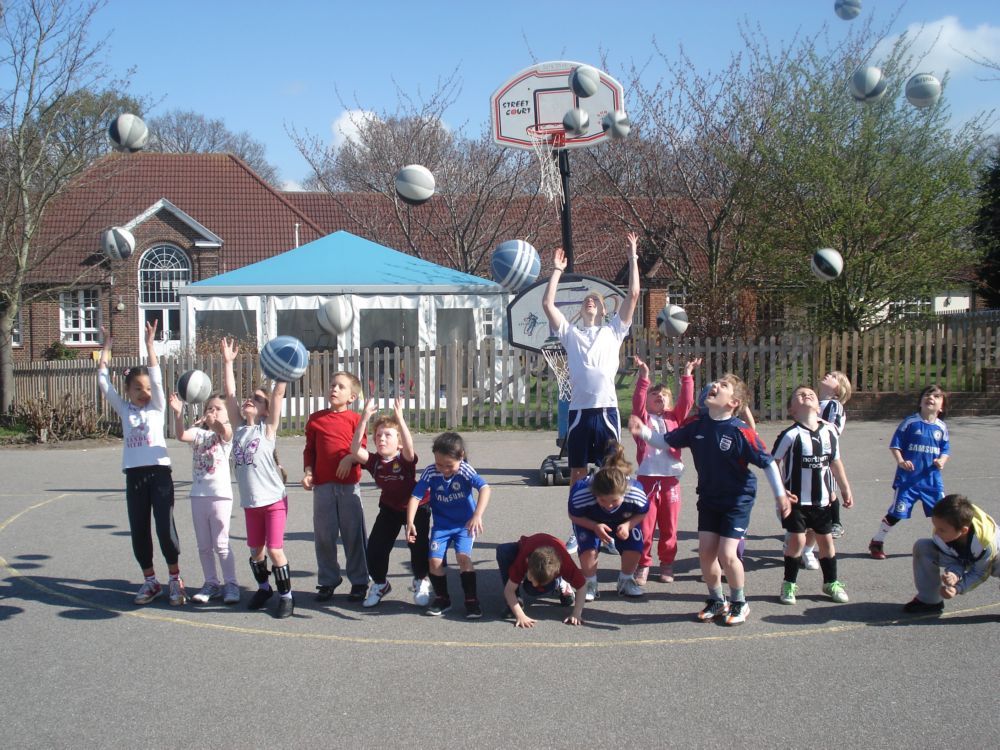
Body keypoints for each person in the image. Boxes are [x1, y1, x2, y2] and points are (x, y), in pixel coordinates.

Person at [655, 374, 793, 626]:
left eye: (723, 386)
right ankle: (717, 600)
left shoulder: (740, 431)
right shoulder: (697, 425)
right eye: (715, 383)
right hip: (709, 497)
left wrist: (780, 494)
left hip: (737, 499)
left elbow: (768, 462)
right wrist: (641, 431)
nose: (714, 386)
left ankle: (740, 602)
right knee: (706, 553)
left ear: (733, 402)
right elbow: (664, 441)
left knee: (727, 554)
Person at [542, 231, 640, 554]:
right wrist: (556, 270)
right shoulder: (570, 334)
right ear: (582, 309)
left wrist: (632, 257)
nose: (591, 302)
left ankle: (611, 531)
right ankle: (578, 529)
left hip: (606, 412)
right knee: (578, 474)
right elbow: (547, 304)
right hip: (581, 413)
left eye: (596, 300)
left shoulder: (614, 331)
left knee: (613, 472)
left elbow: (635, 294)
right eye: (586, 300)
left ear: (602, 308)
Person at [97, 322, 186, 606]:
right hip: (134, 477)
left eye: (146, 388)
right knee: (139, 529)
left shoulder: (157, 408)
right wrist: (107, 348)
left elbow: (157, 378)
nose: (143, 392)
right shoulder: (125, 410)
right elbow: (103, 382)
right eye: (137, 388)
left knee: (164, 528)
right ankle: (150, 580)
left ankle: (175, 578)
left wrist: (150, 344)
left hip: (159, 474)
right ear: (128, 390)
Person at [222, 337, 295, 618]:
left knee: (275, 550)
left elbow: (277, 395)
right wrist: (228, 363)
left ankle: (286, 596)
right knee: (255, 550)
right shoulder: (239, 428)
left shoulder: (267, 430)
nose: (251, 399)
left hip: (274, 500)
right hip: (251, 503)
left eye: (258, 399)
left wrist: (283, 370)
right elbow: (229, 396)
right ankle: (264, 588)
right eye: (250, 397)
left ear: (265, 410)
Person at [771, 386, 855, 606]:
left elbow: (835, 462)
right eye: (800, 395)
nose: (806, 395)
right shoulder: (790, 434)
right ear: (792, 410)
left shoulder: (829, 433)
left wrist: (845, 488)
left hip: (822, 501)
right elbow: (773, 463)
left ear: (819, 406)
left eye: (811, 394)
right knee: (797, 539)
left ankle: (831, 582)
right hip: (796, 501)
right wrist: (781, 490)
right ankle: (788, 584)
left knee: (826, 542)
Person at [348, 396, 432, 608]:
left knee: (418, 546)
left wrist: (400, 419)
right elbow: (354, 450)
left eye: (388, 435)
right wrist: (365, 418)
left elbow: (410, 446)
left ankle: (421, 580)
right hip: (390, 508)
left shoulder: (403, 459)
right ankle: (380, 584)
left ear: (399, 441)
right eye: (378, 436)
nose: (382, 439)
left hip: (416, 507)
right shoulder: (374, 461)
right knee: (376, 548)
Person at [629, 354, 699, 584]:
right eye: (654, 395)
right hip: (647, 479)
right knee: (646, 526)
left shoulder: (675, 418)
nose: (659, 397)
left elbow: (687, 403)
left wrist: (687, 376)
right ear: (648, 401)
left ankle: (667, 564)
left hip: (670, 480)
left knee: (669, 526)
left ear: (670, 402)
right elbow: (638, 402)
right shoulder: (643, 418)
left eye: (664, 395)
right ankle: (644, 564)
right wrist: (644, 377)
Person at [406, 432, 491, 618]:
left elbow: (485, 488)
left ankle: (471, 600)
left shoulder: (465, 470)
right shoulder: (430, 472)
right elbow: (415, 497)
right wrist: (410, 521)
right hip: (442, 526)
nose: (444, 469)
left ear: (461, 457)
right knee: (434, 561)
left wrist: (477, 515)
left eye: (449, 465)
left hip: (464, 525)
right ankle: (443, 599)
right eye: (439, 464)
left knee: (462, 557)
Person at [302, 371, 369, 603]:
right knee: (324, 536)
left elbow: (361, 448)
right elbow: (309, 449)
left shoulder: (355, 420)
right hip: (323, 487)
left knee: (353, 535)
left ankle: (360, 581)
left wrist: (349, 459)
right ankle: (328, 580)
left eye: (340, 387)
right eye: (332, 385)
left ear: (351, 397)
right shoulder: (316, 419)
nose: (334, 389)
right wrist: (309, 472)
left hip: (349, 487)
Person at [168, 390, 240, 605]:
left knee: (221, 543)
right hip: (198, 496)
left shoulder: (227, 431)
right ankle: (211, 582)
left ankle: (231, 584)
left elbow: (223, 431)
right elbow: (181, 435)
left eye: (218, 409)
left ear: (227, 415)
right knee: (203, 545)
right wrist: (179, 414)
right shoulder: (199, 434)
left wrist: (215, 422)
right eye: (210, 408)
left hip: (220, 496)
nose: (213, 411)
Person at [869, 385, 950, 560]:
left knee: (943, 514)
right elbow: (895, 445)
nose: (931, 398)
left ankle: (944, 544)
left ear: (941, 406)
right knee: (896, 514)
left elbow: (945, 450)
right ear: (920, 402)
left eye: (936, 396)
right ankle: (877, 541)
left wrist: (941, 461)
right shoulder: (910, 422)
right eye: (927, 394)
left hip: (932, 481)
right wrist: (901, 461)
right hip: (908, 481)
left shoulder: (941, 428)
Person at [567, 443, 649, 601]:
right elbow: (573, 515)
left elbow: (642, 512)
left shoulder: (636, 492)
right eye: (602, 500)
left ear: (625, 492)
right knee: (588, 551)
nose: (609, 505)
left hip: (624, 519)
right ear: (594, 492)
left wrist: (628, 525)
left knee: (634, 548)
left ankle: (626, 580)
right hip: (591, 519)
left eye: (614, 501)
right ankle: (590, 583)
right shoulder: (582, 492)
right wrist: (593, 526)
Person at [903, 494, 999, 614]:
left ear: (964, 530)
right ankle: (930, 600)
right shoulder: (944, 533)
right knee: (923, 546)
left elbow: (980, 573)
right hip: (969, 555)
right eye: (935, 526)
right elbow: (955, 559)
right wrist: (954, 574)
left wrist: (957, 588)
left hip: (993, 559)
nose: (936, 533)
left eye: (941, 529)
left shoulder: (985, 544)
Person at [796, 370, 853, 570]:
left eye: (834, 376)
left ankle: (811, 547)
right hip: (807, 458)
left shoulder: (833, 405)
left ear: (839, 388)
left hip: (822, 459)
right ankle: (800, 542)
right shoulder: (818, 404)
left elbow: (832, 430)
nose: (827, 376)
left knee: (823, 499)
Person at [496, 533, 587, 628]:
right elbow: (509, 590)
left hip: (554, 557)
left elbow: (582, 586)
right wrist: (520, 615)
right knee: (503, 550)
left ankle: (559, 583)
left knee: (531, 589)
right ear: (527, 563)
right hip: (528, 547)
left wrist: (576, 613)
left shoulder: (566, 565)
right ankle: (516, 602)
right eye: (531, 578)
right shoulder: (524, 559)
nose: (534, 584)